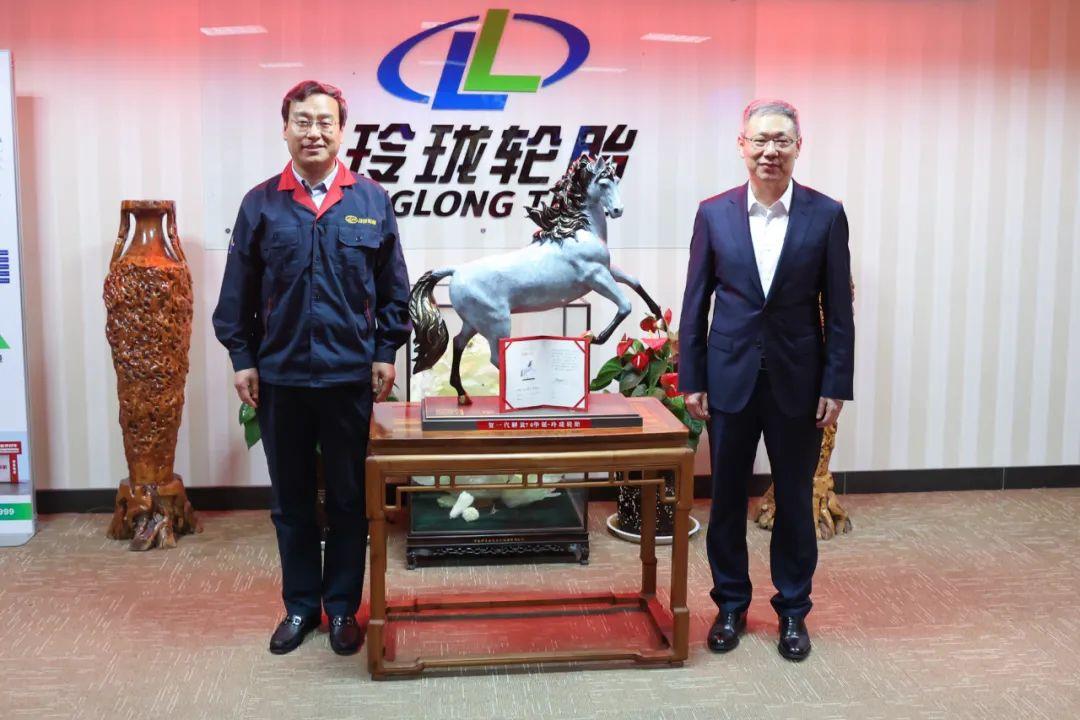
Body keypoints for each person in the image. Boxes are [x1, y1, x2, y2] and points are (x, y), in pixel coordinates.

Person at [213, 80, 411, 656]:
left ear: (341, 131)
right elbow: (237, 293)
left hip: (349, 376)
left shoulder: (370, 201)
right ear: (285, 129)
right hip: (281, 378)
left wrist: (385, 351)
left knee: (348, 499)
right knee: (292, 502)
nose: (314, 132)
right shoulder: (260, 204)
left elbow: (393, 289)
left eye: (325, 121)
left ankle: (343, 607)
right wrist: (243, 359)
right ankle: (301, 606)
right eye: (302, 121)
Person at [677, 99, 854, 661]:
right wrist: (692, 376)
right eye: (760, 140)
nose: (770, 150)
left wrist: (836, 384)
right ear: (742, 145)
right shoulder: (714, 214)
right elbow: (695, 302)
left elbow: (839, 311)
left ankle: (793, 610)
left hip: (798, 382)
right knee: (727, 499)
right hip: (729, 379)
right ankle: (730, 604)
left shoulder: (826, 215)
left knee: (796, 501)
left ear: (799, 147)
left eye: (781, 140)